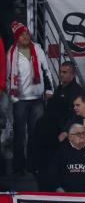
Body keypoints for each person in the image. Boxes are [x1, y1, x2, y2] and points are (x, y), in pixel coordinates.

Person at [1, 21, 54, 174]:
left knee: (35, 133)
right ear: (17, 37)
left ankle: (33, 166)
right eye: (22, 34)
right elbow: (7, 77)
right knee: (19, 135)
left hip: (37, 99)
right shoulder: (11, 53)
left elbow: (47, 71)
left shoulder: (37, 49)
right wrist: (14, 98)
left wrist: (49, 89)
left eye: (26, 33)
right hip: (20, 100)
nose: (25, 36)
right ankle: (19, 168)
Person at [50, 123, 85, 192]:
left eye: (83, 133)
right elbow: (53, 171)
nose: (82, 136)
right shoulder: (61, 151)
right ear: (70, 137)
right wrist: (58, 187)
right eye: (78, 134)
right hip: (65, 195)